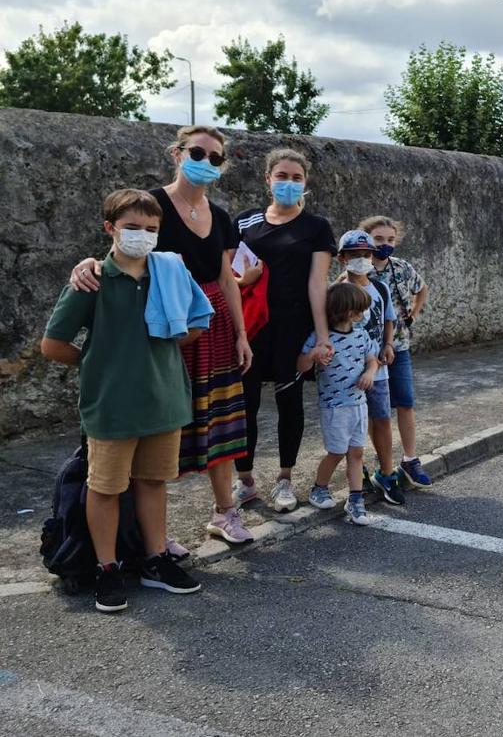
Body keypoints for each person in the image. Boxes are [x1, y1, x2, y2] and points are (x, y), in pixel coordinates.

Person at [69, 126, 254, 546]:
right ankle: (154, 536)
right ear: (177, 153)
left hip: (212, 323)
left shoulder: (221, 217)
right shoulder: (154, 204)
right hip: (165, 322)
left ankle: (225, 512)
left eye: (215, 157)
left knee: (220, 420)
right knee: (158, 425)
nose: (206, 162)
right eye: (198, 152)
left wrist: (242, 333)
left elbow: (227, 279)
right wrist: (85, 263)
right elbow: (121, 245)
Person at [42, 189, 204, 613]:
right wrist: (98, 364)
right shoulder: (91, 279)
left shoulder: (168, 273)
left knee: (153, 482)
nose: (143, 236)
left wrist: (158, 353)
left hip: (162, 401)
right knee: (106, 487)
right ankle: (107, 568)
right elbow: (53, 344)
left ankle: (155, 559)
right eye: (132, 227)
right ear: (110, 228)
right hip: (111, 406)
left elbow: (195, 324)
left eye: (151, 229)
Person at [234, 148, 336, 513]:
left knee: (288, 402)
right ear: (267, 179)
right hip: (251, 326)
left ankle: (284, 480)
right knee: (244, 405)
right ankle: (244, 481)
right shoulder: (244, 223)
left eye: (296, 178)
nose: (289, 183)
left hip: (293, 327)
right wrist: (246, 280)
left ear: (305, 183)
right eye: (282, 176)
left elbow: (317, 284)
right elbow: (230, 276)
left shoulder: (317, 227)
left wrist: (322, 336)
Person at [360, 215, 433, 489]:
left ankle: (410, 459)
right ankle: (382, 462)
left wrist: (414, 312)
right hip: (369, 353)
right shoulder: (359, 271)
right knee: (376, 411)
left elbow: (422, 288)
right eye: (379, 239)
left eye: (390, 239)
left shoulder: (401, 268)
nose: (385, 245)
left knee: (406, 403)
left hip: (399, 347)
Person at [298, 283, 379, 525]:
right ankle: (319, 488)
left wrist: (370, 374)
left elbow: (372, 360)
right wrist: (312, 355)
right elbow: (301, 366)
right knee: (336, 451)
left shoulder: (361, 334)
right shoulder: (321, 338)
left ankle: (355, 500)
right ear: (345, 310)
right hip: (335, 407)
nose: (363, 313)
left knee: (356, 452)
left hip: (358, 404)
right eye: (359, 309)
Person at [334, 229, 404, 505]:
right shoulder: (337, 292)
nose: (362, 260)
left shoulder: (380, 288)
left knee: (382, 419)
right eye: (355, 255)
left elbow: (389, 319)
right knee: (352, 425)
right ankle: (356, 473)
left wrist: (388, 344)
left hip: (379, 370)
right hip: (347, 373)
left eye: (366, 254)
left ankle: (387, 473)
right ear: (342, 258)